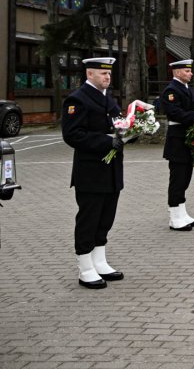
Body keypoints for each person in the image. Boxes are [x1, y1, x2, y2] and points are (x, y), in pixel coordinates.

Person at [61, 57, 126, 289]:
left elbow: (118, 125)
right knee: (89, 218)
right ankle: (85, 267)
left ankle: (100, 261)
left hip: (111, 170)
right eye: (102, 74)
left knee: (106, 217)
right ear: (89, 74)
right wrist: (106, 142)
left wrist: (130, 131)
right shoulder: (77, 99)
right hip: (90, 171)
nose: (107, 77)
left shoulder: (109, 99)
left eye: (109, 74)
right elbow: (72, 135)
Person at [161, 59, 194, 231]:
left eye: (190, 71)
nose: (190, 73)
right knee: (177, 179)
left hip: (188, 139)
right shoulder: (171, 90)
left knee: (185, 177)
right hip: (177, 140)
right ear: (177, 72)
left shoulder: (186, 88)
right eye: (187, 71)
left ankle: (182, 212)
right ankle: (174, 217)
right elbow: (175, 113)